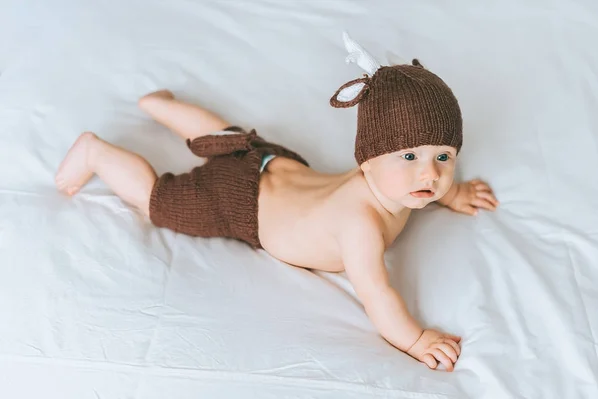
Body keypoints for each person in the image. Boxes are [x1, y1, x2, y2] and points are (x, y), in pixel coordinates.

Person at [54, 34, 498, 372]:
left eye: (444, 157)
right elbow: (377, 294)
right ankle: (97, 152)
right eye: (410, 157)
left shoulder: (389, 182)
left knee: (230, 139)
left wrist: (454, 193)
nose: (430, 174)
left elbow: (429, 185)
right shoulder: (359, 225)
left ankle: (160, 106)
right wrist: (417, 339)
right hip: (241, 203)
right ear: (368, 159)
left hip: (273, 162)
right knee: (158, 199)